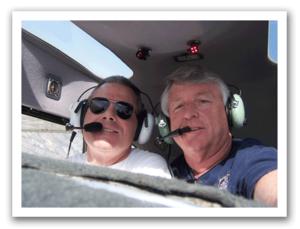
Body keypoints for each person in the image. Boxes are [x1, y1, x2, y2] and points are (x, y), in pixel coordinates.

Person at [160, 65, 277, 206]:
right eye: (179, 106)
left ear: (229, 113)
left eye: (203, 101)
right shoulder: (163, 172)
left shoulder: (252, 159)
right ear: (167, 124)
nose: (189, 113)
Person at [70, 76, 171, 179]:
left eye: (124, 110)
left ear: (140, 126)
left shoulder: (150, 168)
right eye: (98, 105)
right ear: (81, 116)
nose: (109, 114)